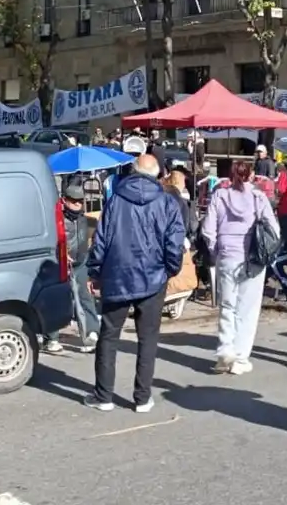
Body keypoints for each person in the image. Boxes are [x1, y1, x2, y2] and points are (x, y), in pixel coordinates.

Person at [86, 153, 185, 411]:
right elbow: (175, 243)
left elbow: (101, 240)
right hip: (153, 277)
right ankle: (142, 397)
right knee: (147, 339)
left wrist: (95, 272)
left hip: (117, 274)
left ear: (133, 170)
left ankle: (103, 396)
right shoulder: (166, 202)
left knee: (109, 336)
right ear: (157, 174)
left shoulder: (116, 200)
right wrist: (170, 270)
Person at [203, 158, 278, 375]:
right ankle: (240, 357)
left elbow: (208, 230)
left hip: (227, 256)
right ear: (251, 175)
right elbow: (273, 230)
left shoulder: (219, 195)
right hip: (252, 258)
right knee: (247, 309)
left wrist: (216, 250)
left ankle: (225, 349)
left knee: (227, 306)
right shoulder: (258, 197)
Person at [61, 183, 100, 353]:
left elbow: (93, 238)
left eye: (80, 201)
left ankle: (91, 332)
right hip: (62, 264)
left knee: (85, 297)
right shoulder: (58, 220)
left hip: (81, 263)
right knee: (59, 299)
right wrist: (62, 254)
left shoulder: (85, 220)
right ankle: (51, 337)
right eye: (73, 201)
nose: (77, 204)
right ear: (65, 200)